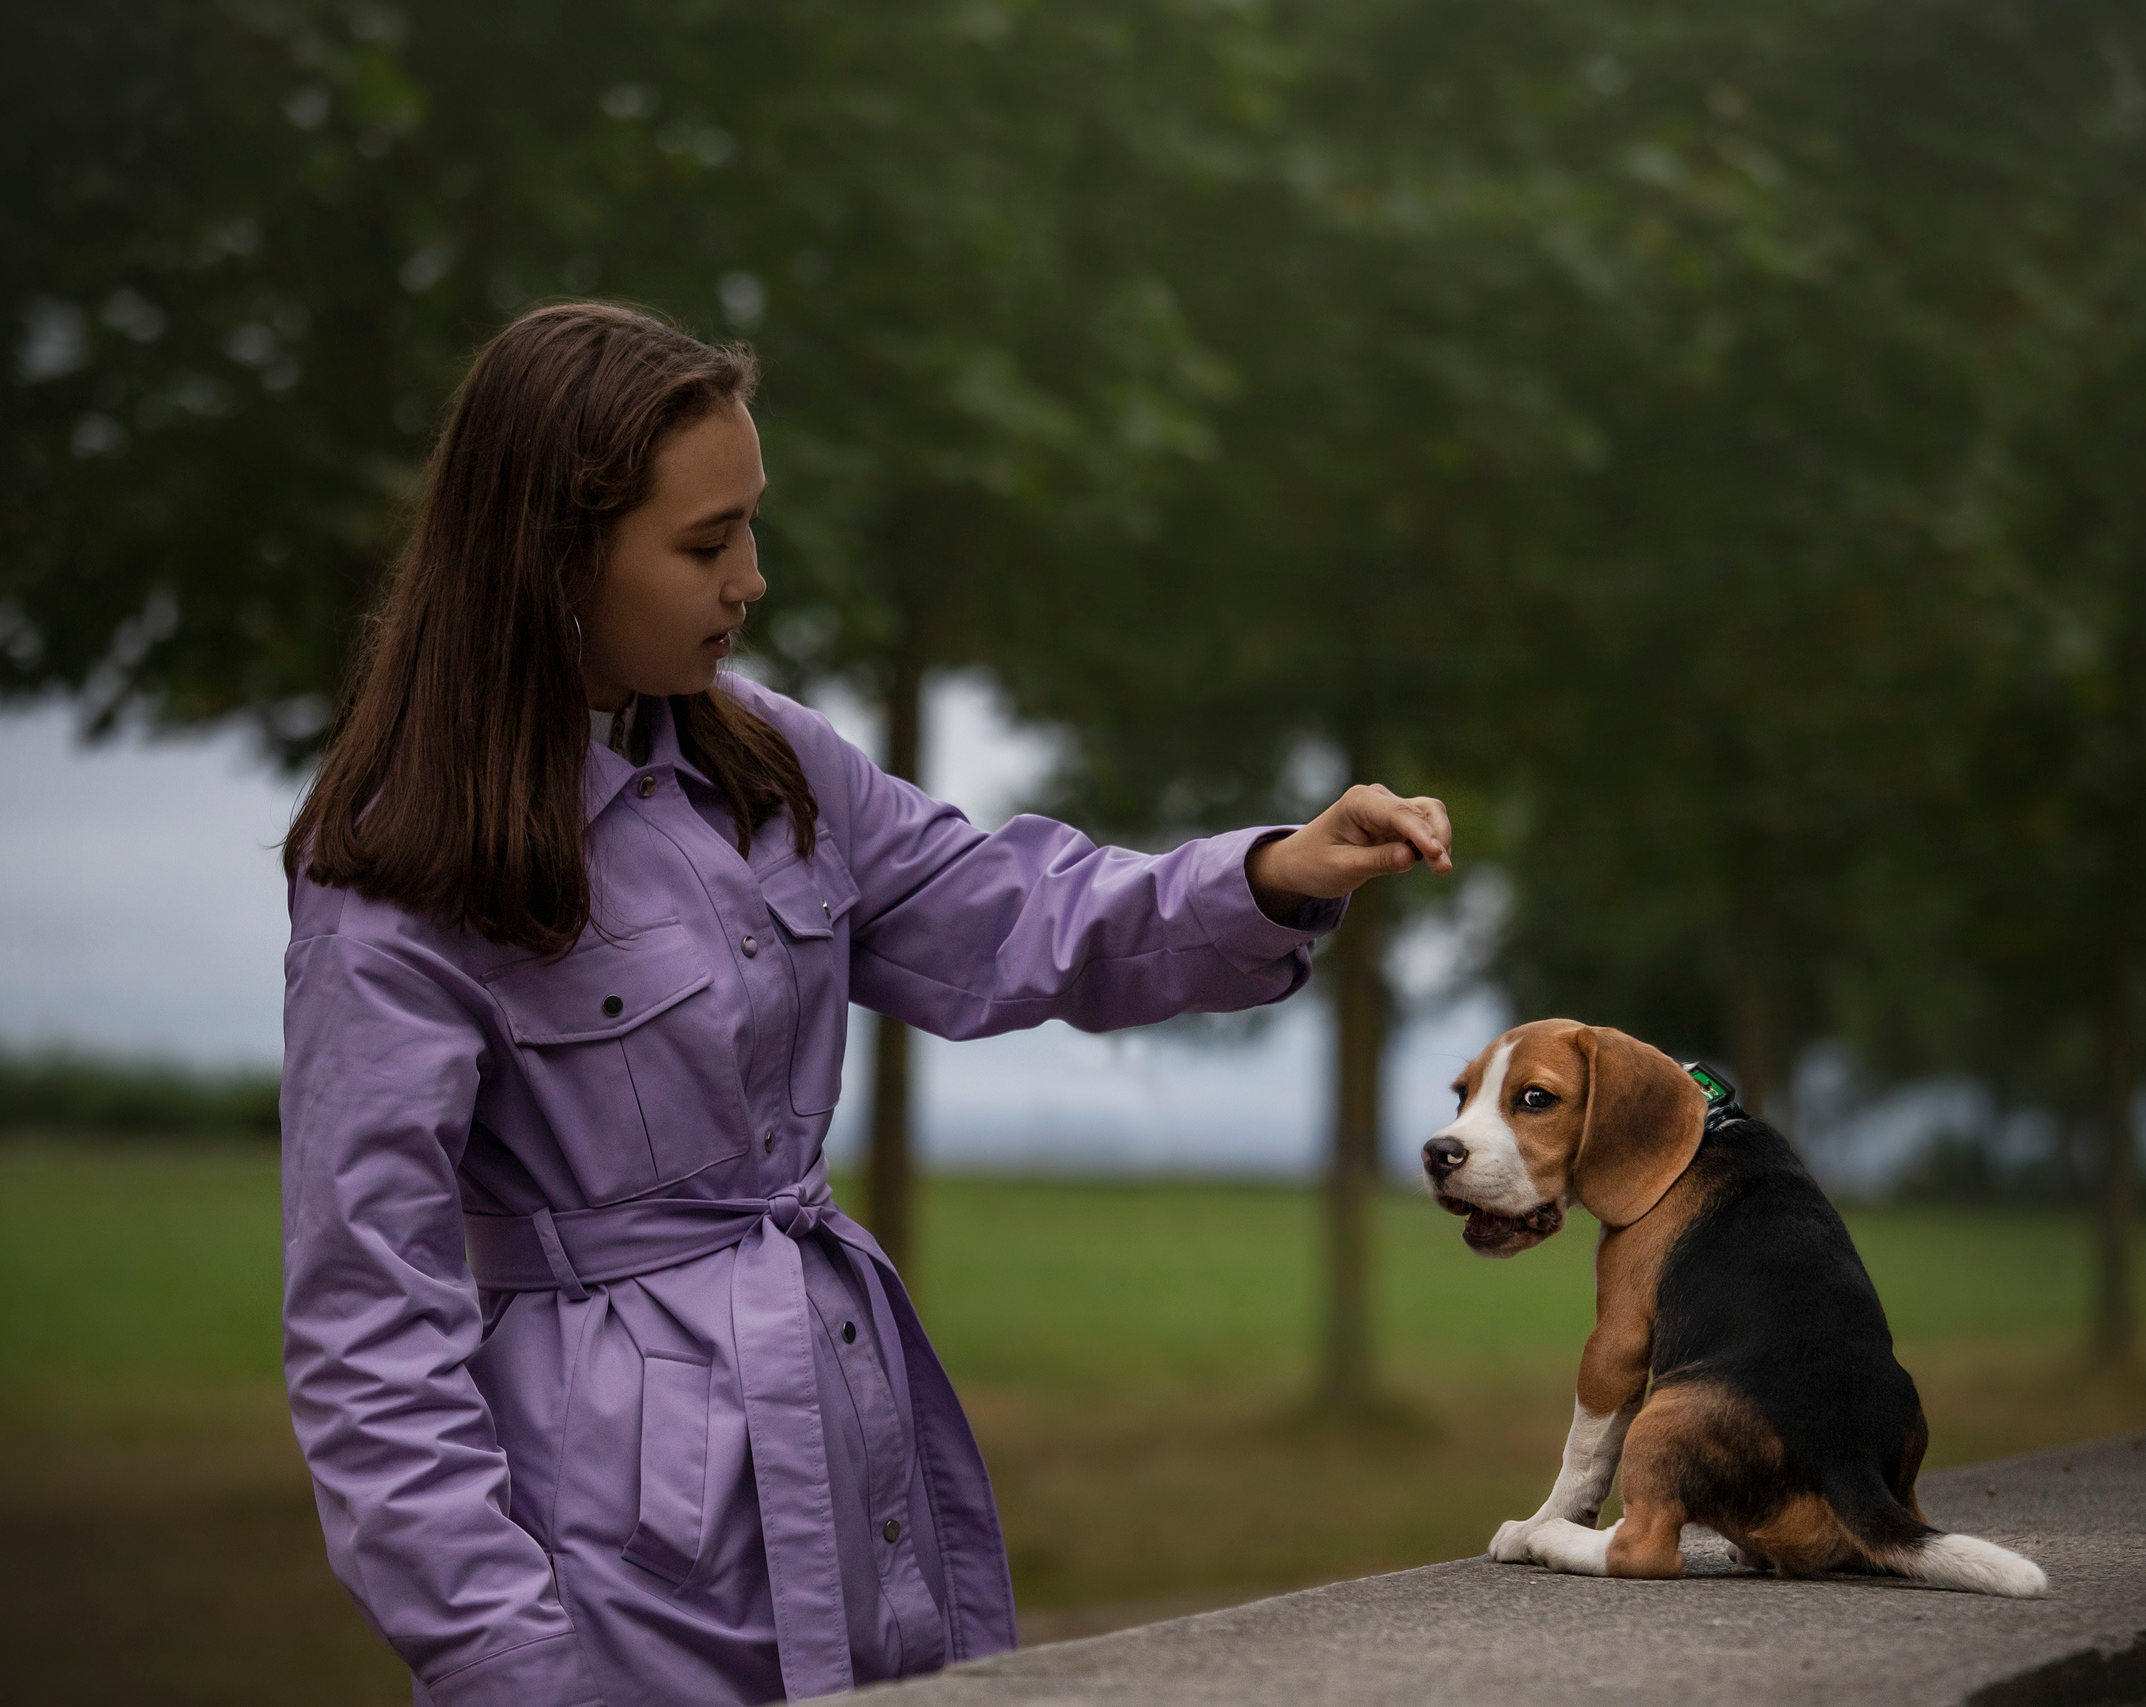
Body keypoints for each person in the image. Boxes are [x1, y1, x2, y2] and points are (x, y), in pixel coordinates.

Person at [278, 300, 1454, 1707]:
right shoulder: (398, 871)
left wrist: (1264, 876)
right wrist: (504, 1659)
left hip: (848, 1440)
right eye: (706, 545)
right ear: (552, 555)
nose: (752, 580)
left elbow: (1008, 913)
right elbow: (368, 1330)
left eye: (752, 528)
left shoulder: (770, 759)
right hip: (607, 1554)